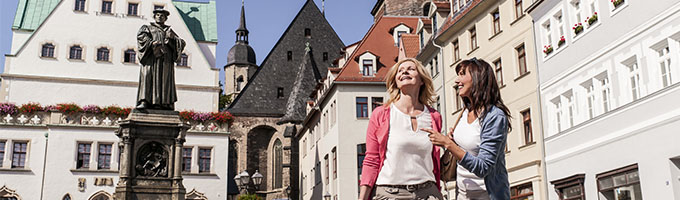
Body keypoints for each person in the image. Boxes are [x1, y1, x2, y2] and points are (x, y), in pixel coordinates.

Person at [425, 57, 511, 200]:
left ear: (478, 77)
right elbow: (466, 149)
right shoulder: (465, 112)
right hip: (463, 194)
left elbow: (483, 167)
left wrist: (449, 144)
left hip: (488, 195)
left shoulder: (494, 116)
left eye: (462, 74)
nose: (457, 81)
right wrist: (453, 141)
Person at [358, 58, 444, 200]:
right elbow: (371, 159)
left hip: (428, 192)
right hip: (390, 193)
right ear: (396, 81)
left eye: (411, 68)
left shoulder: (434, 116)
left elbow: (434, 160)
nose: (404, 71)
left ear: (422, 80)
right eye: (400, 70)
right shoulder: (381, 114)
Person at [135, 9, 186, 110]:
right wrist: (151, 43)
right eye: (157, 15)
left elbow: (181, 43)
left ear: (166, 18)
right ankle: (145, 101)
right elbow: (141, 38)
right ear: (154, 17)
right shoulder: (147, 28)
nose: (159, 17)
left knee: (165, 80)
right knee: (147, 77)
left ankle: (163, 103)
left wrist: (173, 39)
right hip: (151, 59)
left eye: (162, 15)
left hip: (165, 60)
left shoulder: (169, 30)